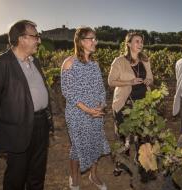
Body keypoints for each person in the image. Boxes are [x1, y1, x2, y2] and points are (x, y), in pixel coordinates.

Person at [0, 20, 54, 190]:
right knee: (16, 177)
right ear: (22, 39)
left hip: (41, 123)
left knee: (37, 174)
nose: (39, 40)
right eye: (36, 36)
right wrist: (8, 121)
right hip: (17, 129)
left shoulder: (35, 62)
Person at [61, 26, 110, 190]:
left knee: (96, 142)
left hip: (96, 112)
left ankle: (93, 175)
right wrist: (88, 110)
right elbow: (68, 92)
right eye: (91, 39)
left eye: (95, 38)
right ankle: (74, 177)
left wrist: (101, 106)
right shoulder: (69, 63)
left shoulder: (95, 65)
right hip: (77, 114)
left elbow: (101, 89)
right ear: (81, 42)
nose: (95, 42)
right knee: (77, 145)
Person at [108, 32, 153, 180]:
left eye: (141, 42)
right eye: (137, 41)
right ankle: (121, 163)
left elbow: (151, 78)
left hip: (142, 104)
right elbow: (111, 81)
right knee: (124, 137)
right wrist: (130, 82)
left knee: (142, 135)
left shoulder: (145, 60)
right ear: (128, 44)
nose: (140, 44)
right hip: (124, 104)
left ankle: (140, 163)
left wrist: (148, 81)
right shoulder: (119, 61)